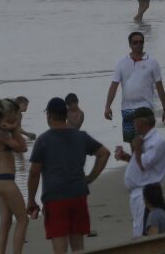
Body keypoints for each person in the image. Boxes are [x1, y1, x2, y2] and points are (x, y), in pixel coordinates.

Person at [27, 97, 110, 254]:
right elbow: (104, 153)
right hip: (78, 194)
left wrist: (31, 200)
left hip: (55, 197)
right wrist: (90, 178)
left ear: (49, 115)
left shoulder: (43, 140)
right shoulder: (80, 136)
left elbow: (34, 172)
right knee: (78, 247)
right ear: (65, 115)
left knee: (60, 248)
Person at [104, 31, 165, 144]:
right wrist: (107, 106)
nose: (138, 44)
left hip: (145, 107)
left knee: (145, 142)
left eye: (141, 42)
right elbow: (114, 86)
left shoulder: (152, 62)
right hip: (126, 109)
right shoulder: (122, 63)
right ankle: (137, 162)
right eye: (135, 42)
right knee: (133, 144)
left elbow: (159, 86)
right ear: (130, 44)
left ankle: (147, 161)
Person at [114, 107, 165, 237]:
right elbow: (140, 162)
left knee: (141, 231)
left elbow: (144, 164)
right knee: (138, 226)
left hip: (145, 191)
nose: (133, 125)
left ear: (140, 123)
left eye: (134, 122)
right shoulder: (145, 139)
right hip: (138, 192)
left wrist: (137, 148)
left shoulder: (156, 141)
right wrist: (126, 156)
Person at [0, 98, 30, 254]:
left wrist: (13, 128)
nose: (18, 116)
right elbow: (22, 148)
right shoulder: (2, 132)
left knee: (5, 225)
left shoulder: (0, 130)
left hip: (0, 180)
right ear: (9, 113)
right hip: (5, 180)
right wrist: (16, 128)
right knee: (23, 219)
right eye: (16, 113)